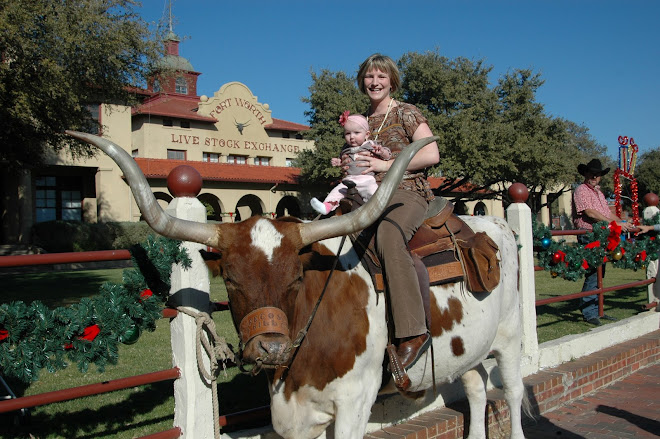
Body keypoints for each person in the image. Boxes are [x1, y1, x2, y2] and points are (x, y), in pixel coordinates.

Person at [349, 53, 440, 370]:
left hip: (407, 191)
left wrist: (387, 166)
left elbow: (431, 153)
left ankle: (413, 332)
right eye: (369, 76)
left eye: (381, 77)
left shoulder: (406, 113)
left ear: (391, 81)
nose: (374, 82)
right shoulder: (360, 122)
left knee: (388, 235)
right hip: (369, 194)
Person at [572, 158, 633, 326]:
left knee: (600, 273)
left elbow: (607, 213)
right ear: (585, 173)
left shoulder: (598, 193)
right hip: (589, 235)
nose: (595, 177)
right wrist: (614, 223)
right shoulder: (581, 190)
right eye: (592, 173)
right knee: (593, 272)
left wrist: (621, 222)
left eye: (597, 174)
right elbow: (590, 213)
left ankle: (597, 309)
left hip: (601, 235)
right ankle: (589, 311)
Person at [310, 112, 391, 215]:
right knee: (336, 192)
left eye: (356, 133)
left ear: (367, 135)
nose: (351, 137)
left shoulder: (370, 145)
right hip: (349, 180)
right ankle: (326, 206)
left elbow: (388, 155)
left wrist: (382, 152)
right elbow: (345, 161)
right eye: (348, 133)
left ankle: (378, 210)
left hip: (366, 179)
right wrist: (339, 162)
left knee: (373, 192)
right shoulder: (345, 148)